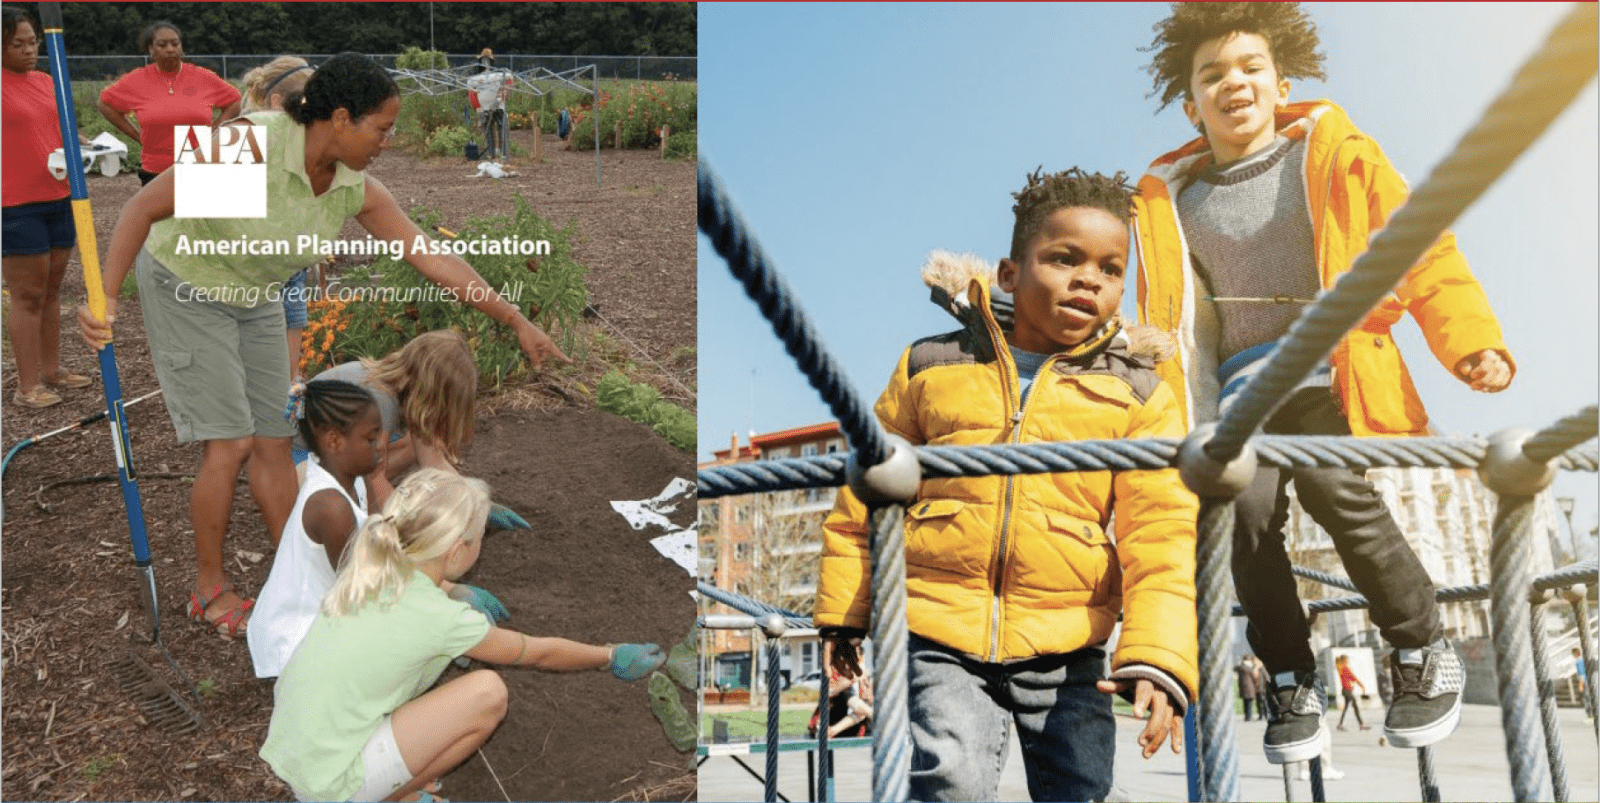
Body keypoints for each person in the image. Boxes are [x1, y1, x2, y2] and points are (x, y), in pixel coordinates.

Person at [1133, 2, 1514, 763]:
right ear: (1190, 103)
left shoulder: (1337, 153)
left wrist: (1469, 341)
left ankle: (1419, 644)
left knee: (1335, 487)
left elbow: (1420, 248)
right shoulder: (1169, 200)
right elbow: (1165, 321)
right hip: (1238, 394)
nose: (1233, 83)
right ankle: (1287, 672)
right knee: (1238, 513)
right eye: (1213, 75)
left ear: (1280, 84)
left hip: (1325, 371)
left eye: (1250, 68)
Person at [78, 53, 569, 640]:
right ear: (340, 118)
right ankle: (208, 588)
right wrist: (102, 297)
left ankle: (298, 568)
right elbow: (140, 207)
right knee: (230, 441)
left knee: (274, 436)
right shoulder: (249, 145)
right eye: (382, 129)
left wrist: (514, 317)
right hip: (189, 284)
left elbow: (429, 254)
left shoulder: (352, 187)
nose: (389, 142)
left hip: (255, 290)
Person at [816, 167, 1200, 802]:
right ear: (1010, 274)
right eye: (1064, 259)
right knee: (952, 782)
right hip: (940, 631)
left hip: (1069, 640)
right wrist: (845, 612)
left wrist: (1157, 653)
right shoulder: (931, 366)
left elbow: (1161, 532)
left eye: (1110, 270)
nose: (1089, 280)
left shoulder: (1137, 393)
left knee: (1080, 790)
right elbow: (866, 494)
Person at [259, 469, 665, 802]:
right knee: (488, 692)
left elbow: (424, 589)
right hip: (330, 780)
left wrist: (455, 581)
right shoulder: (445, 621)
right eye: (478, 538)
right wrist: (609, 655)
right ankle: (397, 794)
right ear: (456, 552)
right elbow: (538, 653)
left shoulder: (375, 560)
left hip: (296, 740)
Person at [2, 5, 91, 409]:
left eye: (32, 42)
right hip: (15, 203)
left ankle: (52, 371)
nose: (28, 50)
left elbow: (59, 127)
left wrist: (86, 143)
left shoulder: (43, 80)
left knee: (53, 290)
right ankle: (27, 386)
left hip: (59, 195)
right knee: (28, 295)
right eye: (16, 43)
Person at [239, 55, 316, 378]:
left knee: (287, 374)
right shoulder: (236, 144)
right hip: (245, 275)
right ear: (274, 101)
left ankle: (287, 398)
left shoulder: (300, 144)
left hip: (287, 267)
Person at [97, 20, 241, 185]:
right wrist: (137, 135)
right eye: (162, 44)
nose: (170, 49)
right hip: (156, 172)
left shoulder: (203, 77)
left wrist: (214, 132)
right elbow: (105, 103)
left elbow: (235, 100)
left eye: (175, 43)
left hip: (199, 166)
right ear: (151, 49)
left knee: (200, 212)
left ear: (181, 46)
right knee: (158, 212)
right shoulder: (136, 80)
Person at [807, 667, 874, 739]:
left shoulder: (861, 673)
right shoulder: (834, 675)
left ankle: (832, 731)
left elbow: (869, 700)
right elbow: (829, 693)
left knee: (862, 712)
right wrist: (852, 679)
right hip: (827, 722)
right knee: (846, 695)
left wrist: (863, 683)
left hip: (847, 726)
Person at [1334, 655, 1370, 731]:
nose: (1348, 661)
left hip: (1346, 690)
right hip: (1347, 691)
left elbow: (1346, 680)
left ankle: (1359, 724)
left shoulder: (1341, 669)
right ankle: (1359, 725)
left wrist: (1350, 687)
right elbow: (1354, 678)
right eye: (1347, 660)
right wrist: (1361, 685)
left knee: (1351, 707)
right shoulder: (1345, 669)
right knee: (1352, 708)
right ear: (1345, 661)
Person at [1236, 653, 1264, 721]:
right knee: (1249, 703)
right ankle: (1249, 716)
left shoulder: (1241, 668)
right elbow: (1254, 677)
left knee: (1246, 702)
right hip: (1250, 687)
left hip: (1243, 688)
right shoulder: (1249, 668)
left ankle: (1247, 716)